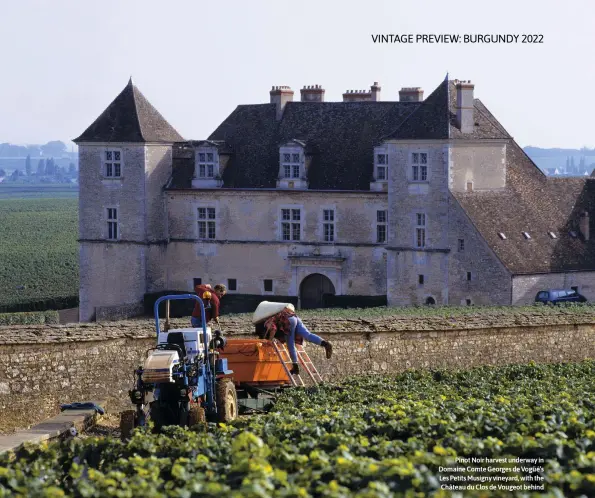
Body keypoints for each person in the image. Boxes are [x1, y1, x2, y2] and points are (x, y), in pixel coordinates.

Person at [263, 303, 332, 375]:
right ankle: (326, 344)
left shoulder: (268, 320)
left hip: (288, 321)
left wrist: (269, 340)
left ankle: (295, 367)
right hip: (295, 317)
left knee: (290, 344)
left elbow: (273, 329)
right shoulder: (280, 311)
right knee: (307, 335)